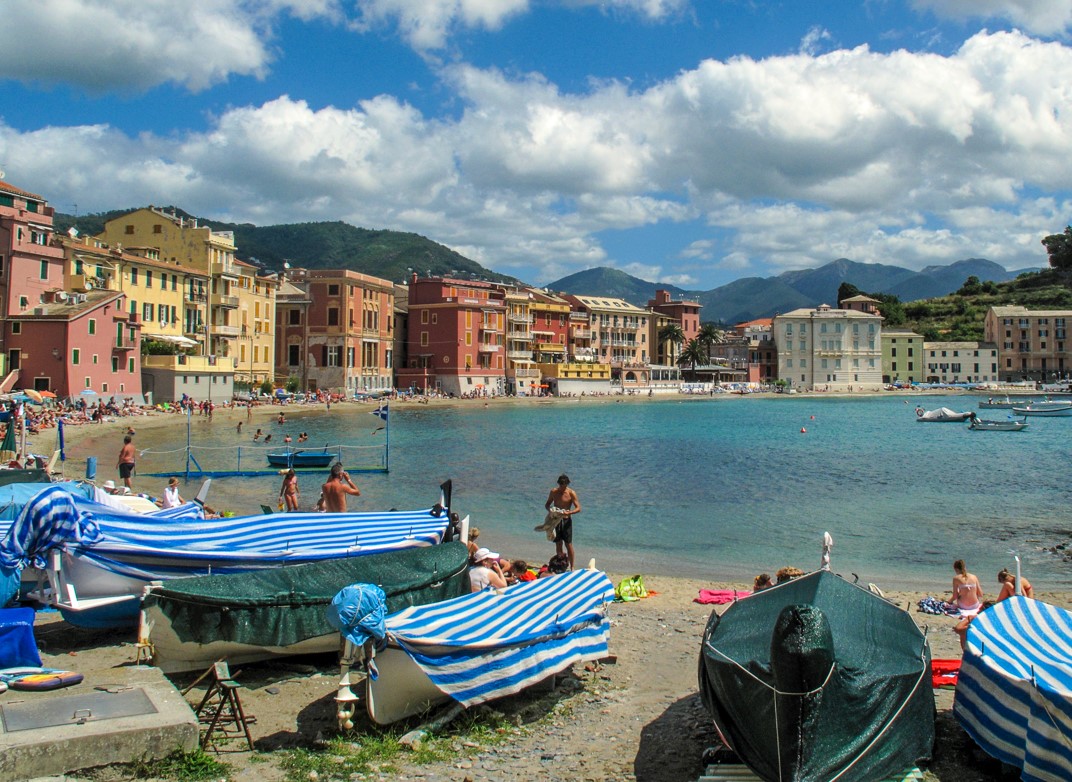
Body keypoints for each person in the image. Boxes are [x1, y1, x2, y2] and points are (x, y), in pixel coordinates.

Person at [545, 473, 581, 571]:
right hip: (556, 519)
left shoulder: (571, 493)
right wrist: (550, 510)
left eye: (564, 486)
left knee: (568, 544)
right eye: (561, 485)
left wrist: (570, 512)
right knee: (558, 543)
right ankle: (561, 564)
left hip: (566, 520)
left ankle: (572, 566)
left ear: (567, 484)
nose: (562, 488)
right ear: (558, 484)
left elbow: (578, 508)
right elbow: (547, 504)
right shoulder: (553, 492)